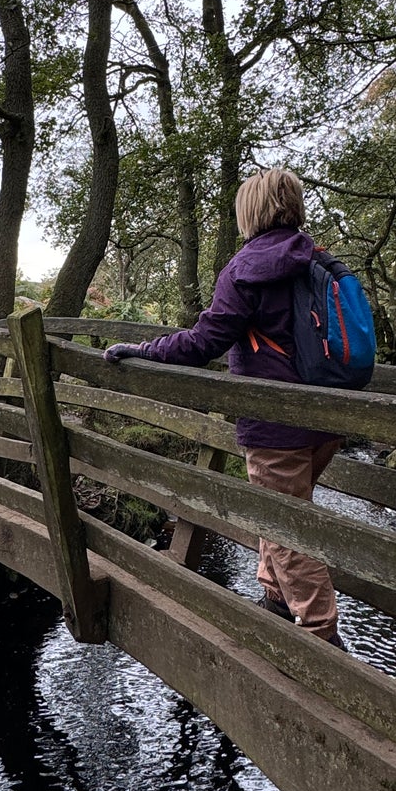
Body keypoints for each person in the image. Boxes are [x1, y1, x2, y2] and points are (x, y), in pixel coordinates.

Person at [104, 167, 348, 649]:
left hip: (275, 425)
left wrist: (144, 349)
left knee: (285, 525)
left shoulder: (245, 269)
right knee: (279, 514)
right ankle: (277, 602)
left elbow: (203, 342)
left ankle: (324, 640)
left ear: (249, 211)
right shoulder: (317, 259)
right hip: (328, 416)